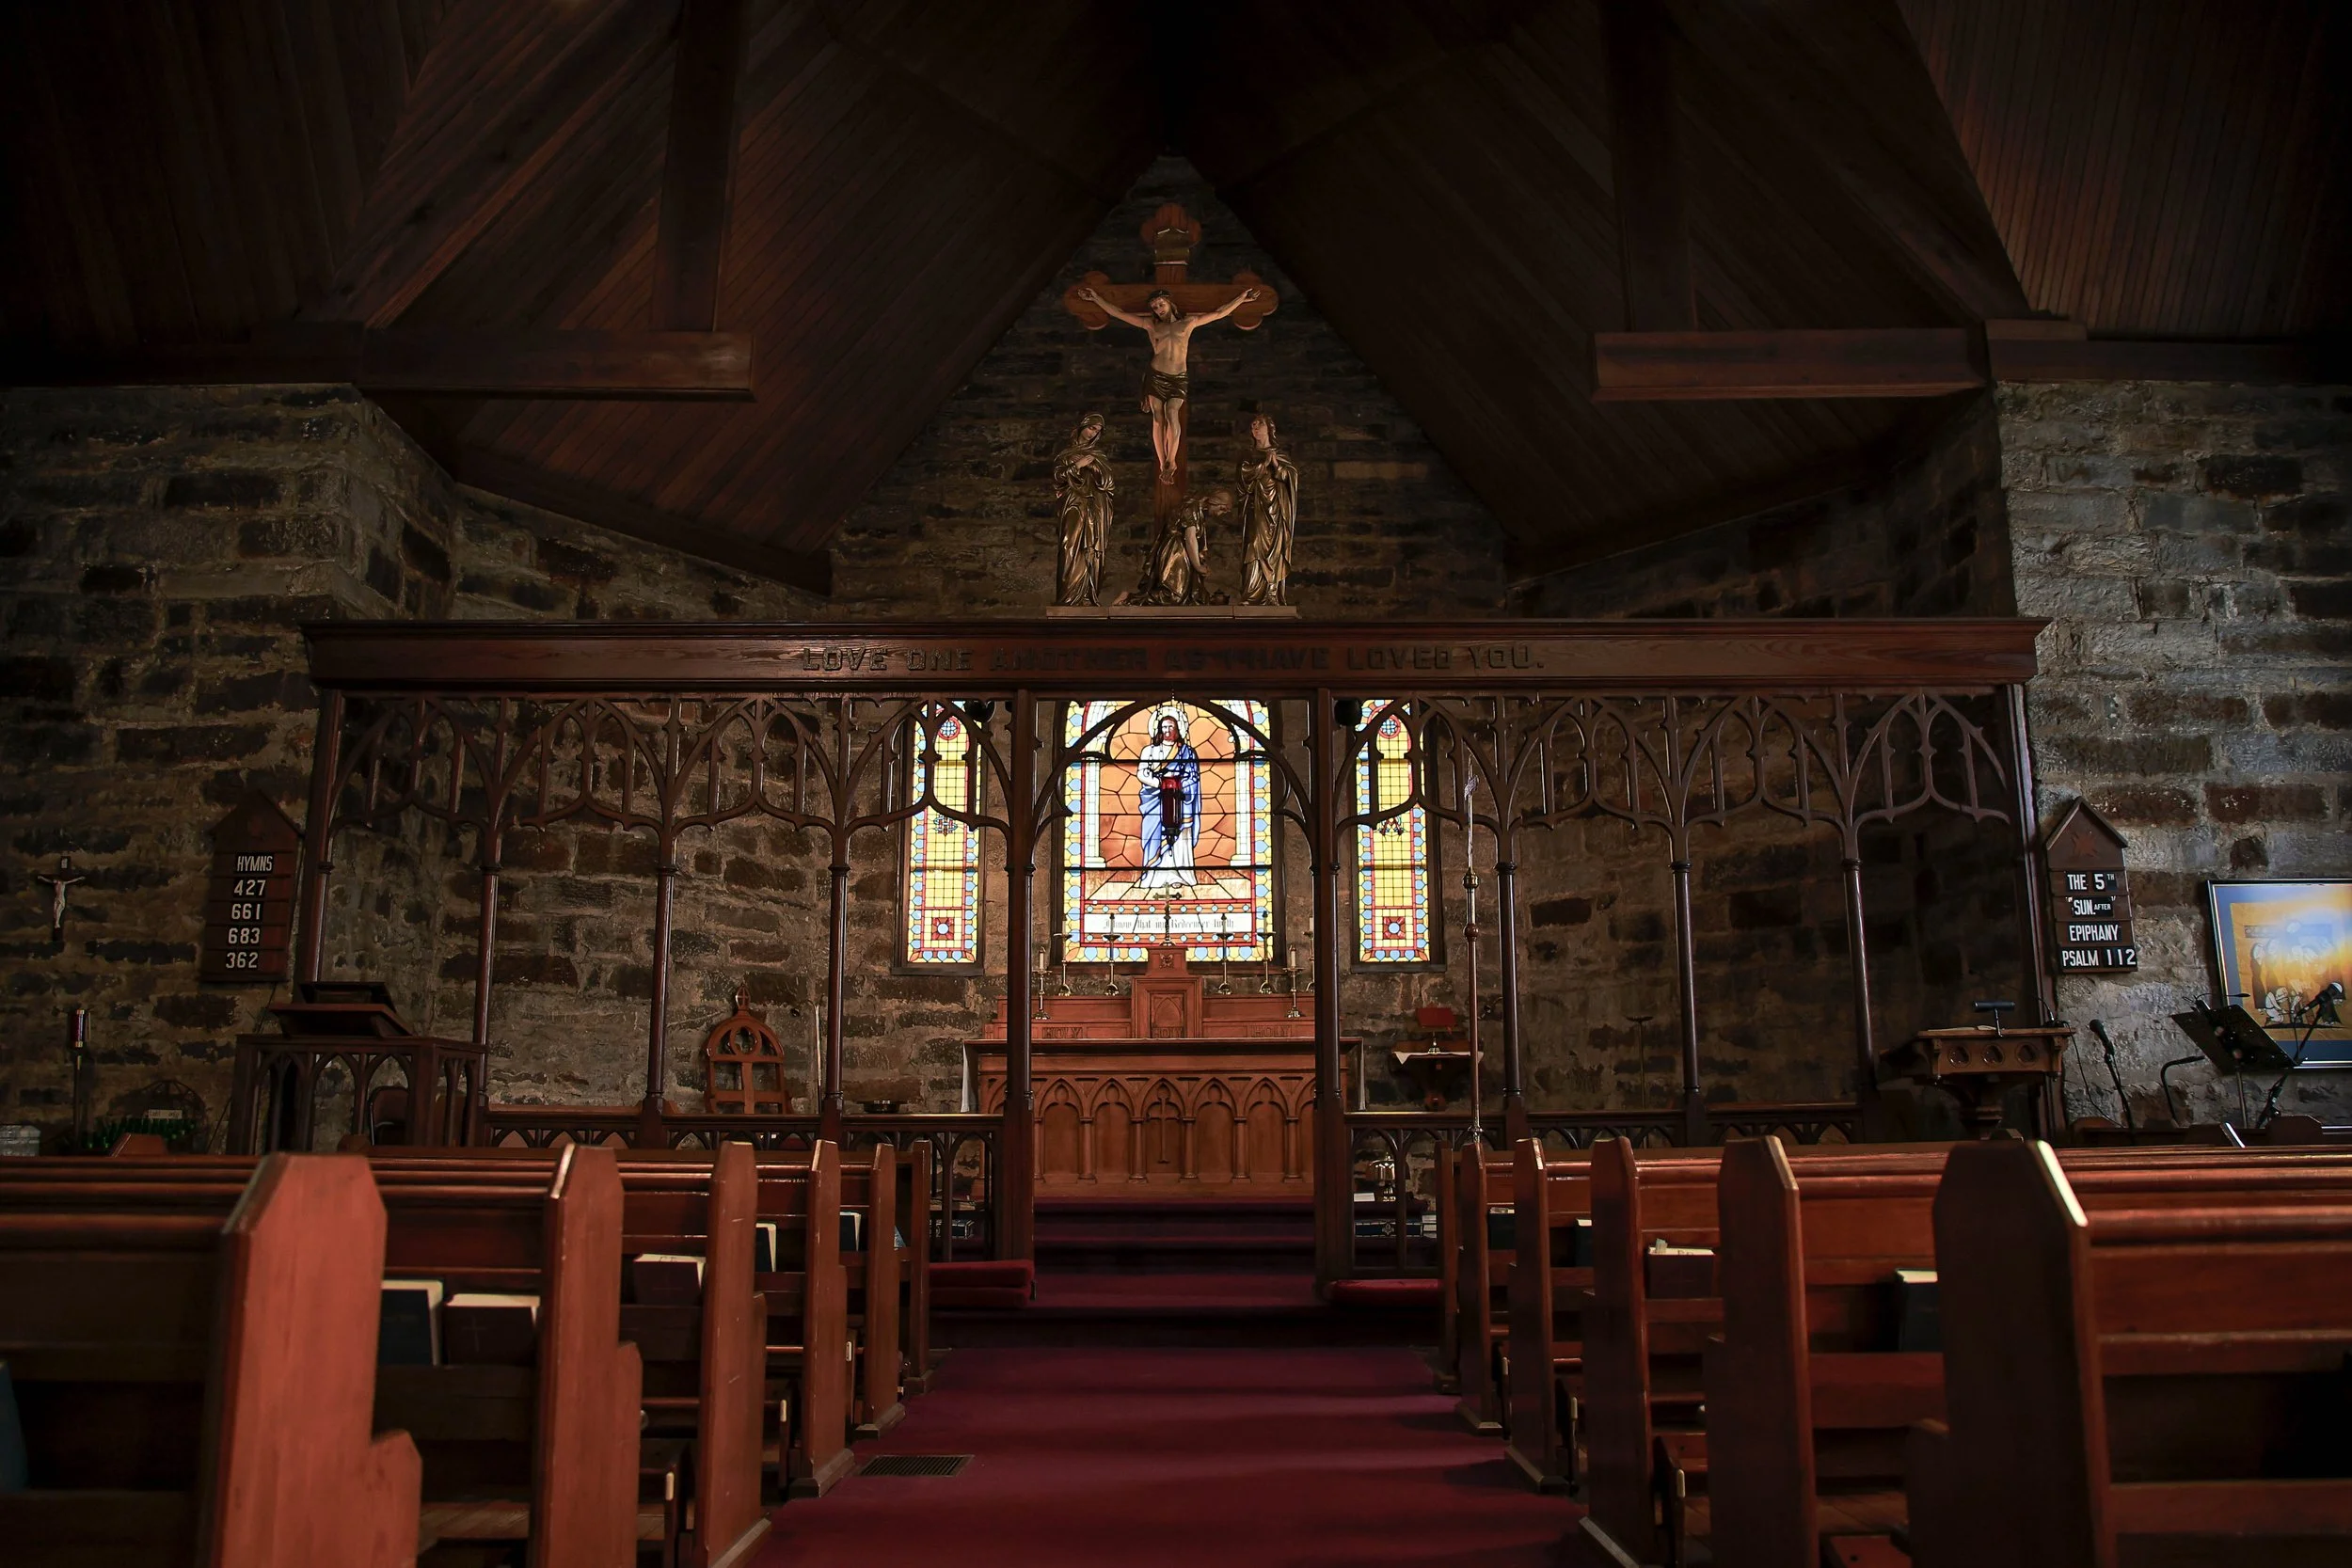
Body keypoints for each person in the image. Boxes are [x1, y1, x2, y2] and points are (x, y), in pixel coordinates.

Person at [1077, 282, 1263, 483]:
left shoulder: (1188, 323)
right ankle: (1162, 461)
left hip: (1178, 377)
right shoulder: (1152, 325)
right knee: (1158, 418)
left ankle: (1171, 460)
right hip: (1156, 375)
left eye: (1161, 303)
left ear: (1169, 302)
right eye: (1155, 306)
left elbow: (1219, 313)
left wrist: (1242, 299)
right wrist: (1095, 298)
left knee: (1172, 413)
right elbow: (1118, 313)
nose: (1159, 308)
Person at [1236, 412, 1298, 607]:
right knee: (1254, 545)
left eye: (1260, 423)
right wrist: (1264, 464)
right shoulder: (1248, 454)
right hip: (1257, 508)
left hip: (1276, 509)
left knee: (1276, 548)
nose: (1255, 427)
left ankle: (1272, 593)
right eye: (1253, 424)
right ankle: (1252, 594)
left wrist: (1277, 465)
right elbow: (1243, 475)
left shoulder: (1280, 455)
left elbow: (1290, 476)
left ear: (1270, 429)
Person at [1053, 413, 1115, 606]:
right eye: (1091, 428)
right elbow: (1058, 477)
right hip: (1073, 503)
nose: (1092, 434)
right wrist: (1078, 465)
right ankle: (1068, 596)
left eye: (1097, 431)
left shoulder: (1098, 456)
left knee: (1092, 549)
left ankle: (1087, 595)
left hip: (1095, 506)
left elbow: (1109, 484)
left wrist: (1094, 467)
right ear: (1082, 427)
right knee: (1070, 545)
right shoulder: (1065, 454)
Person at [1136, 712, 1200, 894]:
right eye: (1164, 727)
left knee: (1180, 839)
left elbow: (1193, 776)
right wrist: (1160, 784)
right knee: (1153, 836)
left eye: (1171, 727)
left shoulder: (1187, 752)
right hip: (1155, 799)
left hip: (1179, 800)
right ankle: (1154, 876)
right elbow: (1141, 773)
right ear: (1158, 730)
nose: (1167, 731)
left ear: (1178, 729)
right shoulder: (1149, 751)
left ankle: (1180, 875)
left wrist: (1178, 786)